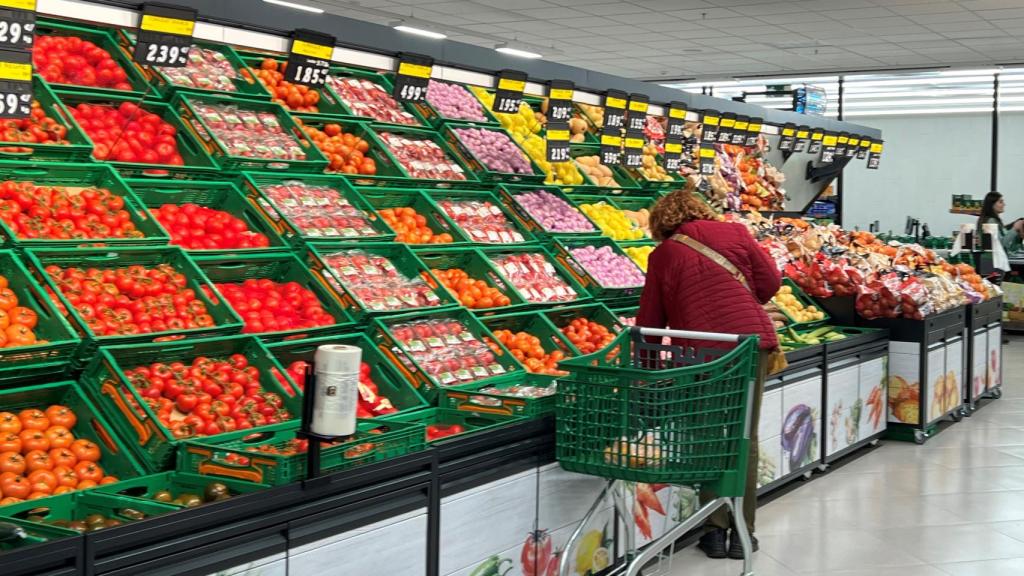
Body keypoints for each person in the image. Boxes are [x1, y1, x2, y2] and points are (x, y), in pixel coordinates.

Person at [637, 185, 781, 560]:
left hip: (701, 356)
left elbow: (650, 323)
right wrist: (742, 303)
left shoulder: (663, 254)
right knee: (743, 439)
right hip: (751, 347)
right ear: (699, 210)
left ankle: (714, 531)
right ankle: (743, 535)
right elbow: (770, 283)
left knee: (705, 438)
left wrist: (646, 373)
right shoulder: (735, 232)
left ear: (661, 224)